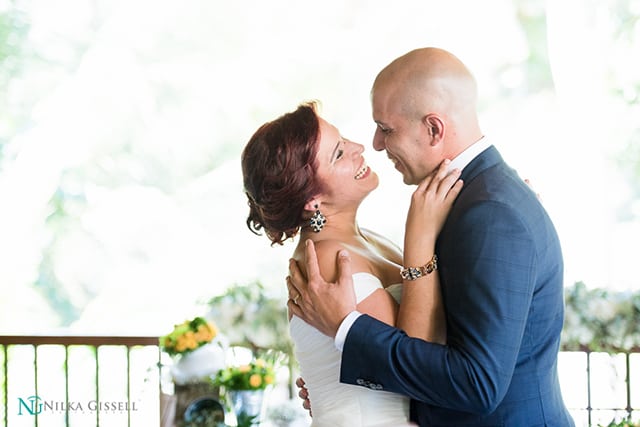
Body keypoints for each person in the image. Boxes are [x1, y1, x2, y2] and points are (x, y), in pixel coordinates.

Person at [287, 47, 576, 427]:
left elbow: (477, 385)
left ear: (434, 129)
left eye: (386, 128)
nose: (373, 143)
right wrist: (338, 385)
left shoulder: (491, 214)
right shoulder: (475, 200)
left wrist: (348, 332)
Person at [241, 100, 462, 426]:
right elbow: (416, 363)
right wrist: (420, 239)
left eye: (344, 141)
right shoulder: (330, 260)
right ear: (312, 199)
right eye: (339, 154)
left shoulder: (364, 238)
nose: (360, 148)